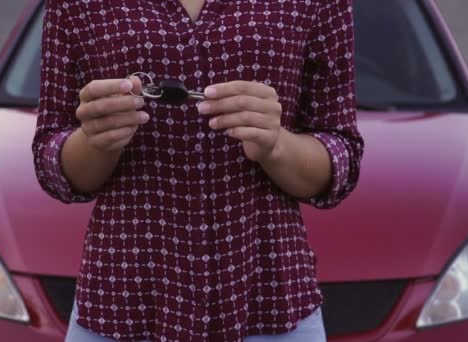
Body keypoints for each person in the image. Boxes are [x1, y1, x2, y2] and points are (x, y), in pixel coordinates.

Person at [32, 0, 364, 340]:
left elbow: (341, 159)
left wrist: (276, 145)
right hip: (123, 302)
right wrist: (95, 141)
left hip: (269, 304)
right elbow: (51, 161)